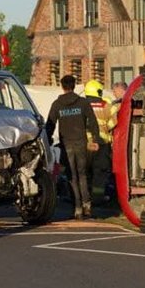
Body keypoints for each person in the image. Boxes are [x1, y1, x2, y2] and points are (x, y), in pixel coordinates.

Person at [45, 75, 100, 219]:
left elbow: (50, 124)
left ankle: (77, 208)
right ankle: (87, 203)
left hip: (66, 144)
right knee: (82, 174)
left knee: (72, 176)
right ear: (74, 85)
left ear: (62, 86)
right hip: (81, 143)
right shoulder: (83, 103)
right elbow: (93, 121)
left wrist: (48, 139)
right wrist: (95, 139)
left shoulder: (57, 104)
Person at [83, 80, 113, 205]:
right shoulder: (105, 105)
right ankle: (97, 199)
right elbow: (113, 123)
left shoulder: (81, 104)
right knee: (100, 173)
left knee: (84, 171)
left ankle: (85, 198)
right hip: (102, 144)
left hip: (85, 145)